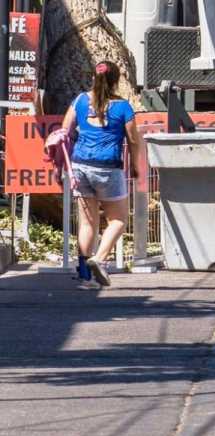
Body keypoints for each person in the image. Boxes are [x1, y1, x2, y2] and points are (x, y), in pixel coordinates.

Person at [61, 61, 144, 288]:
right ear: (116, 80)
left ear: (93, 78)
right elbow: (133, 140)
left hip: (80, 165)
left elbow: (65, 130)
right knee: (118, 220)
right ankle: (99, 259)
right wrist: (135, 165)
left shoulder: (80, 100)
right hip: (108, 168)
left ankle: (85, 276)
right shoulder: (123, 107)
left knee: (87, 223)